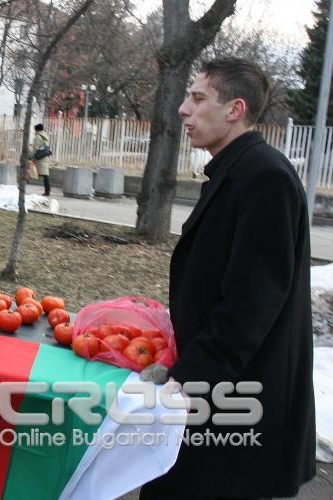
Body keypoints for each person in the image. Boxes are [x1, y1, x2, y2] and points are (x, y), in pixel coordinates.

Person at [140, 58, 315, 498]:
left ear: (235, 109)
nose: (183, 109)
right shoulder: (237, 170)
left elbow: (251, 304)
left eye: (198, 99)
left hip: (237, 401)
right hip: (219, 391)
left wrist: (188, 380)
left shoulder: (265, 177)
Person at [31, 123, 52, 196]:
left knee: (29, 170)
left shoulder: (38, 137)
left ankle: (21, 186)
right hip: (45, 157)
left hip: (39, 158)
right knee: (45, 175)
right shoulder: (45, 136)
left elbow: (36, 148)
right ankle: (47, 190)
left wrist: (32, 156)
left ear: (36, 129)